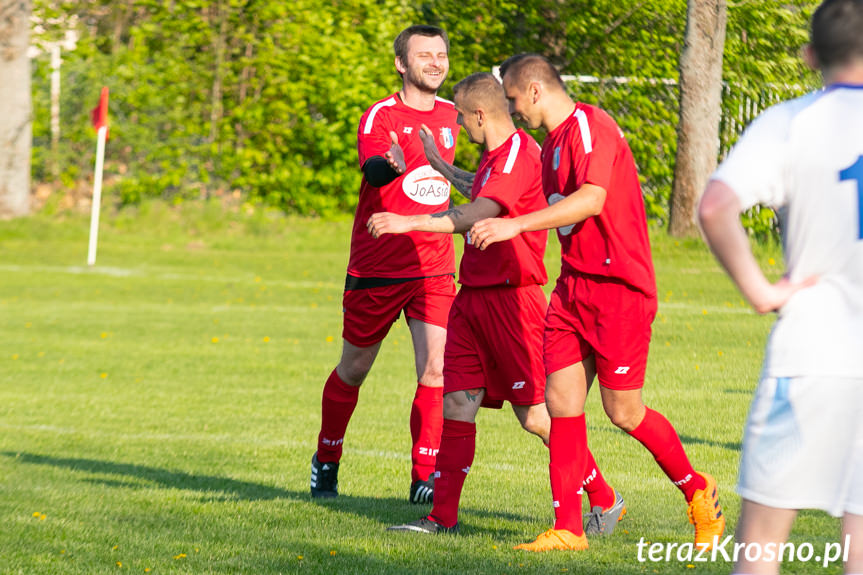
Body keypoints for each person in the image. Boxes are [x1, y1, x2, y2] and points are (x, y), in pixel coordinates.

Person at [469, 53, 725, 552]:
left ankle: (698, 490)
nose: (515, 110)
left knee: (623, 412)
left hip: (619, 291)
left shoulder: (590, 125)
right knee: (561, 406)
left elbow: (591, 198)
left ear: (537, 90)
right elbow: (550, 210)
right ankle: (568, 528)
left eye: (516, 100)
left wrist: (513, 225)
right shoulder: (548, 150)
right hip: (572, 289)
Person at [371, 72, 624, 539]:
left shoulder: (522, 153)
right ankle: (441, 518)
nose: (460, 129)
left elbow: (479, 211)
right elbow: (481, 187)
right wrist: (440, 167)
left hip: (514, 300)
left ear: (479, 115)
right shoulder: (495, 157)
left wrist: (407, 223)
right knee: (456, 403)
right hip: (472, 299)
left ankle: (604, 496)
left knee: (536, 417)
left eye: (463, 120)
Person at [698, 1, 863, 573]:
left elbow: (717, 205)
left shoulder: (791, 121)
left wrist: (761, 291)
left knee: (762, 547)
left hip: (811, 353)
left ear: (810, 54)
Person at [310, 25, 461, 504]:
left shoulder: (456, 116)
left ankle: (424, 477)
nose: (435, 62)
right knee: (354, 370)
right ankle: (326, 458)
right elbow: (372, 170)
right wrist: (389, 166)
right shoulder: (381, 116)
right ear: (402, 64)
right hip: (377, 266)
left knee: (436, 368)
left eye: (441, 55)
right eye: (424, 55)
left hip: (434, 265)